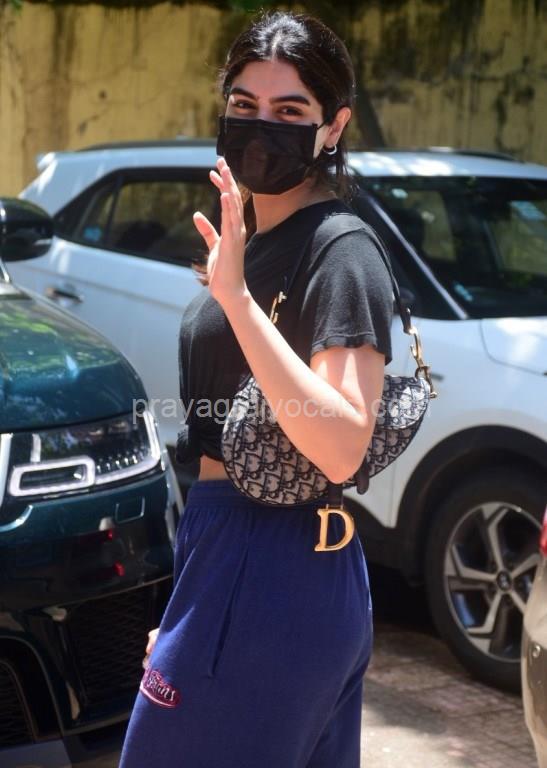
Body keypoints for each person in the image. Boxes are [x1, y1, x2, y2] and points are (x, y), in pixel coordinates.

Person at [118, 11, 393, 768]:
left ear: (333, 127)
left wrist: (236, 300)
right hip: (232, 555)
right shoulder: (259, 238)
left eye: (289, 110)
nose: (260, 127)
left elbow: (342, 445)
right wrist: (194, 599)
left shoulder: (340, 250)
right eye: (244, 105)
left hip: (274, 562)